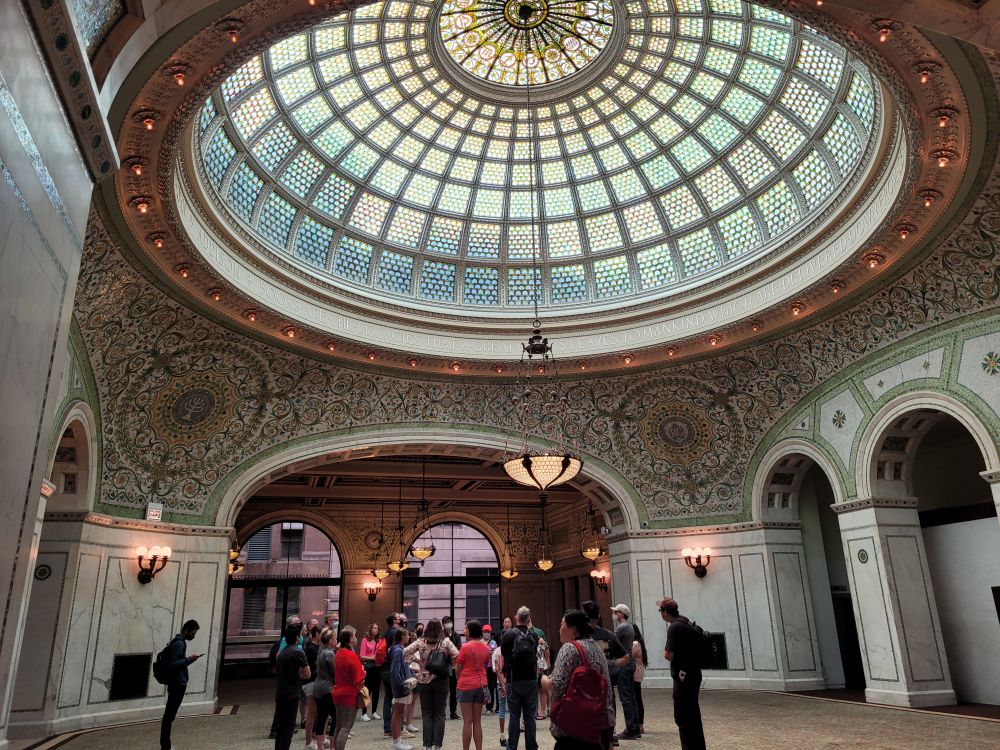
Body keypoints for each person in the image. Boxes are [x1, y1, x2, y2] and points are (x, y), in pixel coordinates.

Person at [542, 609, 614, 750]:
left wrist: (543, 680)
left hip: (574, 726)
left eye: (562, 625)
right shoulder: (597, 649)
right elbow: (607, 690)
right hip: (597, 724)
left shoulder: (569, 648)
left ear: (573, 629)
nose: (559, 629)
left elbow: (556, 685)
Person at [404, 617, 458, 750]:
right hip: (441, 680)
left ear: (427, 628)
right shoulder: (445, 642)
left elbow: (405, 652)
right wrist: (449, 664)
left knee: (427, 714)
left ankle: (427, 745)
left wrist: (418, 661)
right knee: (440, 713)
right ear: (440, 628)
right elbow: (457, 655)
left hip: (423, 680)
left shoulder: (421, 641)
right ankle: (437, 745)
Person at [659, 597, 706, 750]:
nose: (660, 613)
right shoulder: (685, 622)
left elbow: (668, 655)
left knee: (683, 716)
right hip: (693, 673)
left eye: (660, 610)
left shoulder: (674, 627)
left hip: (683, 677)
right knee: (693, 714)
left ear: (665, 612)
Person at [581, 601, 626, 746]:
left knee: (608, 706)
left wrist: (610, 666)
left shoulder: (607, 635)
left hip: (604, 681)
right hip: (589, 682)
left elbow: (625, 657)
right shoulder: (581, 636)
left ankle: (610, 733)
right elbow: (625, 657)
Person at [499, 606, 540, 750]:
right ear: (529, 619)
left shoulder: (508, 635)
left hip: (513, 680)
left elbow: (504, 655)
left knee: (514, 716)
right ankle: (531, 747)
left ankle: (512, 747)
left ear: (516, 618)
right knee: (530, 717)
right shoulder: (534, 635)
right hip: (531, 680)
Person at [159, 619, 201, 750]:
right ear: (186, 630)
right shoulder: (179, 643)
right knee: (169, 716)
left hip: (176, 683)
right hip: (177, 683)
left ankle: (165, 745)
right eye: (192, 633)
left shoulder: (177, 641)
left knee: (169, 716)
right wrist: (190, 659)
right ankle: (165, 746)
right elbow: (174, 664)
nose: (193, 636)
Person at [276, 622, 312, 750]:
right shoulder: (298, 652)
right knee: (288, 728)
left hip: (281, 692)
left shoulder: (282, 653)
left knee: (281, 726)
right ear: (297, 637)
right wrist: (299, 674)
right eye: (300, 634)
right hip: (292, 692)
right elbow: (307, 674)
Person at [456, 620, 490, 750]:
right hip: (481, 685)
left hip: (465, 684)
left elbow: (458, 668)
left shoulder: (465, 647)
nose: (464, 630)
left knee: (467, 721)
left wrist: (459, 680)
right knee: (477, 721)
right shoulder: (485, 647)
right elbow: (485, 666)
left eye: (466, 628)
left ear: (471, 630)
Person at [270, 615, 304, 739]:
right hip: (288, 675)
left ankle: (287, 726)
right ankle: (276, 729)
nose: (299, 623)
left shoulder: (299, 638)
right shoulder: (287, 639)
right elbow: (279, 655)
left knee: (291, 702)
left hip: (295, 674)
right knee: (284, 702)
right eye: (296, 622)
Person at [333, 626, 366, 750]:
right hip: (349, 694)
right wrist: (364, 674)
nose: (356, 638)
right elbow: (359, 679)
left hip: (337, 692)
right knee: (346, 727)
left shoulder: (338, 653)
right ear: (349, 640)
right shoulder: (351, 655)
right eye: (354, 636)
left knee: (339, 725)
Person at [610, 605, 640, 740]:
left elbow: (611, 641)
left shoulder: (621, 627)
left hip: (624, 665)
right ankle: (635, 728)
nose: (614, 614)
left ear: (621, 614)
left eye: (616, 612)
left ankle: (630, 730)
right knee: (632, 697)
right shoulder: (630, 626)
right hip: (630, 664)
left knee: (625, 698)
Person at [389, 629, 415, 750]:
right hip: (401, 687)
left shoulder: (399, 649)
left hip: (403, 685)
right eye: (407, 635)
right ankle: (396, 742)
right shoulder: (398, 651)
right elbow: (395, 671)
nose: (409, 636)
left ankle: (398, 740)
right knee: (397, 713)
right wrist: (402, 683)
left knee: (399, 713)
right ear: (402, 636)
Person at [311, 628, 337, 750]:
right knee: (336, 717)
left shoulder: (321, 651)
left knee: (321, 717)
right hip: (327, 688)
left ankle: (320, 746)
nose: (336, 640)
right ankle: (332, 746)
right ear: (331, 640)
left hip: (318, 688)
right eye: (335, 638)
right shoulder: (330, 653)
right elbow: (335, 672)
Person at [381, 613, 402, 737]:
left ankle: (387, 728)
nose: (401, 619)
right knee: (398, 699)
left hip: (385, 667)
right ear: (394, 620)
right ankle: (397, 729)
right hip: (392, 668)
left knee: (388, 699)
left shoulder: (386, 632)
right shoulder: (396, 633)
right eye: (399, 617)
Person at [304, 624, 323, 748]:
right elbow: (317, 664)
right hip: (311, 681)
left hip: (315, 681)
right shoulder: (311, 648)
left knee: (317, 712)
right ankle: (308, 741)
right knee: (311, 713)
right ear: (317, 634)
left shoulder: (316, 646)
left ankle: (317, 737)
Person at [442, 615, 462, 719]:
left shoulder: (456, 635)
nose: (449, 624)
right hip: (444, 665)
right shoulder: (441, 635)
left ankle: (453, 711)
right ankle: (442, 711)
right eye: (446, 622)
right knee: (444, 689)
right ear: (443, 624)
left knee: (454, 689)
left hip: (454, 665)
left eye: (450, 621)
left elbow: (459, 648)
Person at [361, 623, 382, 722]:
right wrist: (372, 658)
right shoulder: (365, 640)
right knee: (367, 690)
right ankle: (364, 713)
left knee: (376, 690)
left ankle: (374, 712)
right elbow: (362, 656)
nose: (376, 629)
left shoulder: (379, 641)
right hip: (369, 667)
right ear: (370, 629)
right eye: (374, 628)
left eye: (377, 628)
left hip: (377, 667)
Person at [491, 634, 508, 747]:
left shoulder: (496, 651)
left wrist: (502, 684)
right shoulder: (512, 650)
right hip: (511, 683)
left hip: (500, 683)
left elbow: (496, 670)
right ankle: (513, 734)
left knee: (501, 708)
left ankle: (502, 736)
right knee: (513, 709)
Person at [631, 626, 648, 736]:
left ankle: (639, 724)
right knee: (638, 698)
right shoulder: (640, 643)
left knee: (636, 699)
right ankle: (640, 724)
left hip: (635, 673)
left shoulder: (635, 644)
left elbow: (628, 656)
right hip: (639, 672)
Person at [483, 625, 498, 714]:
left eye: (488, 632)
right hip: (482, 667)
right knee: (483, 687)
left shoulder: (493, 642)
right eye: (485, 632)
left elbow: (495, 653)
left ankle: (489, 706)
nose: (486, 634)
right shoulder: (480, 642)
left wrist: (491, 652)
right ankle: (483, 704)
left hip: (490, 667)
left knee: (491, 687)